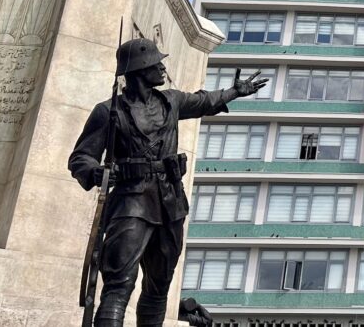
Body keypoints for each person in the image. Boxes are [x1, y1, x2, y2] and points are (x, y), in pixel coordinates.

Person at [68, 38, 266, 327]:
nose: (162, 68)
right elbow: (81, 157)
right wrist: (95, 172)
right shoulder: (109, 111)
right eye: (156, 63)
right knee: (119, 283)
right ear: (140, 70)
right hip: (131, 203)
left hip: (170, 204)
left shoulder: (171, 101)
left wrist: (234, 91)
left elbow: (203, 101)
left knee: (159, 285)